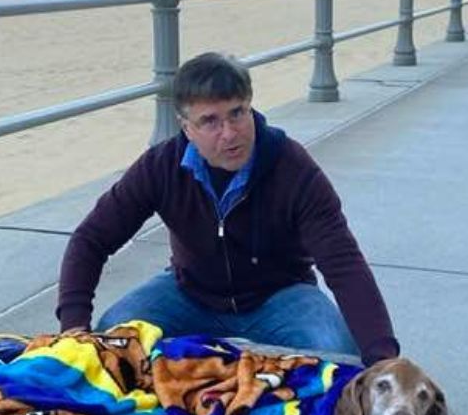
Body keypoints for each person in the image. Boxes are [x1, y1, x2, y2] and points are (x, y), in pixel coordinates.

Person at [55, 51, 399, 362]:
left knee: (339, 353)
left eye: (237, 113)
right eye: (210, 121)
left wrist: (382, 354)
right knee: (113, 338)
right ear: (186, 127)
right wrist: (74, 326)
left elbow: (343, 263)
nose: (230, 133)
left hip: (280, 296)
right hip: (189, 294)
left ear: (250, 106)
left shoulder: (293, 168)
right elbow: (92, 239)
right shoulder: (161, 167)